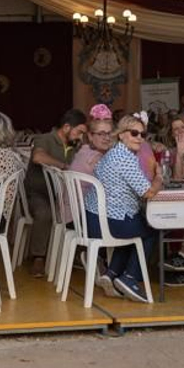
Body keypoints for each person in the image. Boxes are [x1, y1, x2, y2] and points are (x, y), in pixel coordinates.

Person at [85, 113, 162, 300]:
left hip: (93, 218)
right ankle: (129, 278)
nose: (140, 138)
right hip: (108, 221)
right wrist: (159, 177)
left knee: (134, 226)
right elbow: (148, 193)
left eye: (143, 135)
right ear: (121, 134)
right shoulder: (125, 158)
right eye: (134, 133)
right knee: (152, 229)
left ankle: (111, 275)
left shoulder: (113, 153)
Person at [23, 108, 88, 268]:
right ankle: (38, 257)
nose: (80, 137)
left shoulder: (75, 146)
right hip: (39, 193)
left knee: (83, 211)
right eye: (79, 132)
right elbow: (38, 157)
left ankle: (76, 255)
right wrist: (64, 166)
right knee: (44, 214)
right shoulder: (45, 139)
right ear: (66, 127)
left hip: (63, 195)